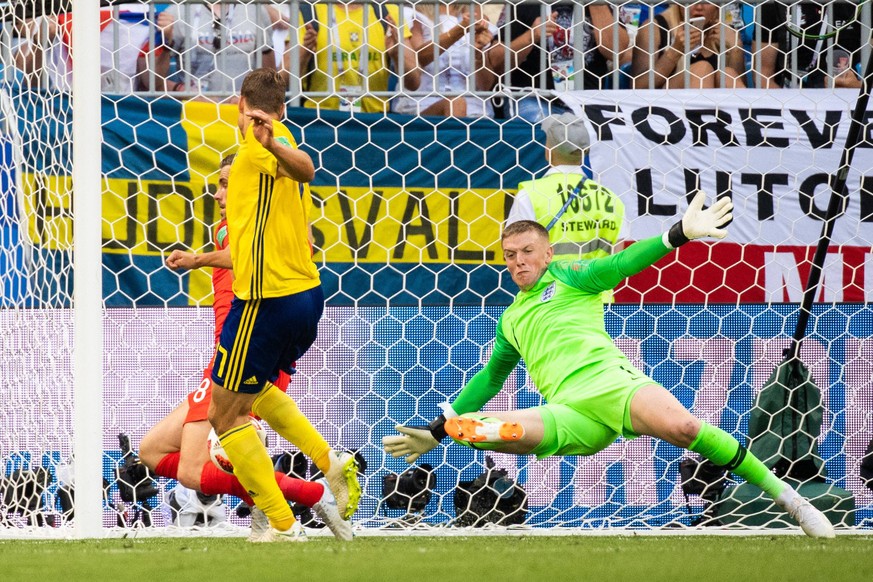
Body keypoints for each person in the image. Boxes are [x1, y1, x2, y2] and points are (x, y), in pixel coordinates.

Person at [383, 192, 836, 539]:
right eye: (509, 255)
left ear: (546, 253)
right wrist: (437, 430)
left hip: (614, 386)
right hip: (569, 413)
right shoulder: (511, 319)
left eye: (525, 251)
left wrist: (679, 232)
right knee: (478, 428)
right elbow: (489, 377)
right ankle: (486, 432)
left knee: (684, 429)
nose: (517, 262)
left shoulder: (573, 278)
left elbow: (623, 263)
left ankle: (793, 503)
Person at [138, 154, 352, 542]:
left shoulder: (266, 224)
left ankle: (289, 512)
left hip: (250, 346)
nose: (218, 194)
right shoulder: (231, 226)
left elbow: (273, 250)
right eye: (218, 185)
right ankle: (300, 495)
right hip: (233, 347)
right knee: (151, 450)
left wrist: (197, 260)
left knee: (191, 469)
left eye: (225, 185)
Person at [203, 68, 359, 543]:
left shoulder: (258, 147)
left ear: (239, 105)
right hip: (306, 298)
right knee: (254, 394)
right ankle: (332, 463)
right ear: (285, 108)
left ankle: (282, 524)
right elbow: (262, 239)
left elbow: (308, 168)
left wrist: (267, 144)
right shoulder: (279, 134)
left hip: (266, 302)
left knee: (223, 415)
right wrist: (198, 260)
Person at [506, 113, 624, 301]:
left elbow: (516, 255)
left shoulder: (531, 194)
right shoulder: (611, 198)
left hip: (547, 303)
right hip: (598, 305)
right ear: (584, 151)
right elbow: (618, 261)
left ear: (549, 150)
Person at [490, 3, 630, 122]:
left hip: (587, 103)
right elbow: (495, 62)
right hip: (534, 99)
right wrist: (531, 36)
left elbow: (616, 52)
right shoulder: (523, 4)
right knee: (544, 132)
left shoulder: (605, 4)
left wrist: (597, 5)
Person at [296, 2, 420, 113]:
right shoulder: (310, 11)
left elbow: (414, 83)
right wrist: (303, 53)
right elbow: (282, 80)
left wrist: (397, 55)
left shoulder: (389, 12)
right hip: (321, 118)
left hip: (373, 120)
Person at [391, 2, 498, 117]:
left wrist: (478, 54)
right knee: (455, 103)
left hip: (476, 111)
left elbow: (485, 86)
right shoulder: (411, 14)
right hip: (422, 106)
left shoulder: (475, 18)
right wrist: (460, 30)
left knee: (457, 104)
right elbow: (415, 60)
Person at [157, 1, 277, 95]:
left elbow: (269, 76)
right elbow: (152, 82)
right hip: (196, 113)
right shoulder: (177, 13)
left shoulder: (254, 9)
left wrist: (251, 98)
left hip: (243, 113)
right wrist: (182, 90)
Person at [632, 1, 746, 89]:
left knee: (728, 74)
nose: (699, 6)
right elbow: (638, 86)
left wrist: (736, 48)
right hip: (665, 108)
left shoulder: (726, 32)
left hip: (719, 109)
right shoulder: (654, 28)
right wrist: (674, 52)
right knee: (702, 69)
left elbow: (744, 91)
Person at [750, 1, 861, 89]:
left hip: (847, 97)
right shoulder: (773, 5)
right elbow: (763, 76)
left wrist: (857, 87)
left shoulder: (859, 6)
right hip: (786, 96)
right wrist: (788, 108)